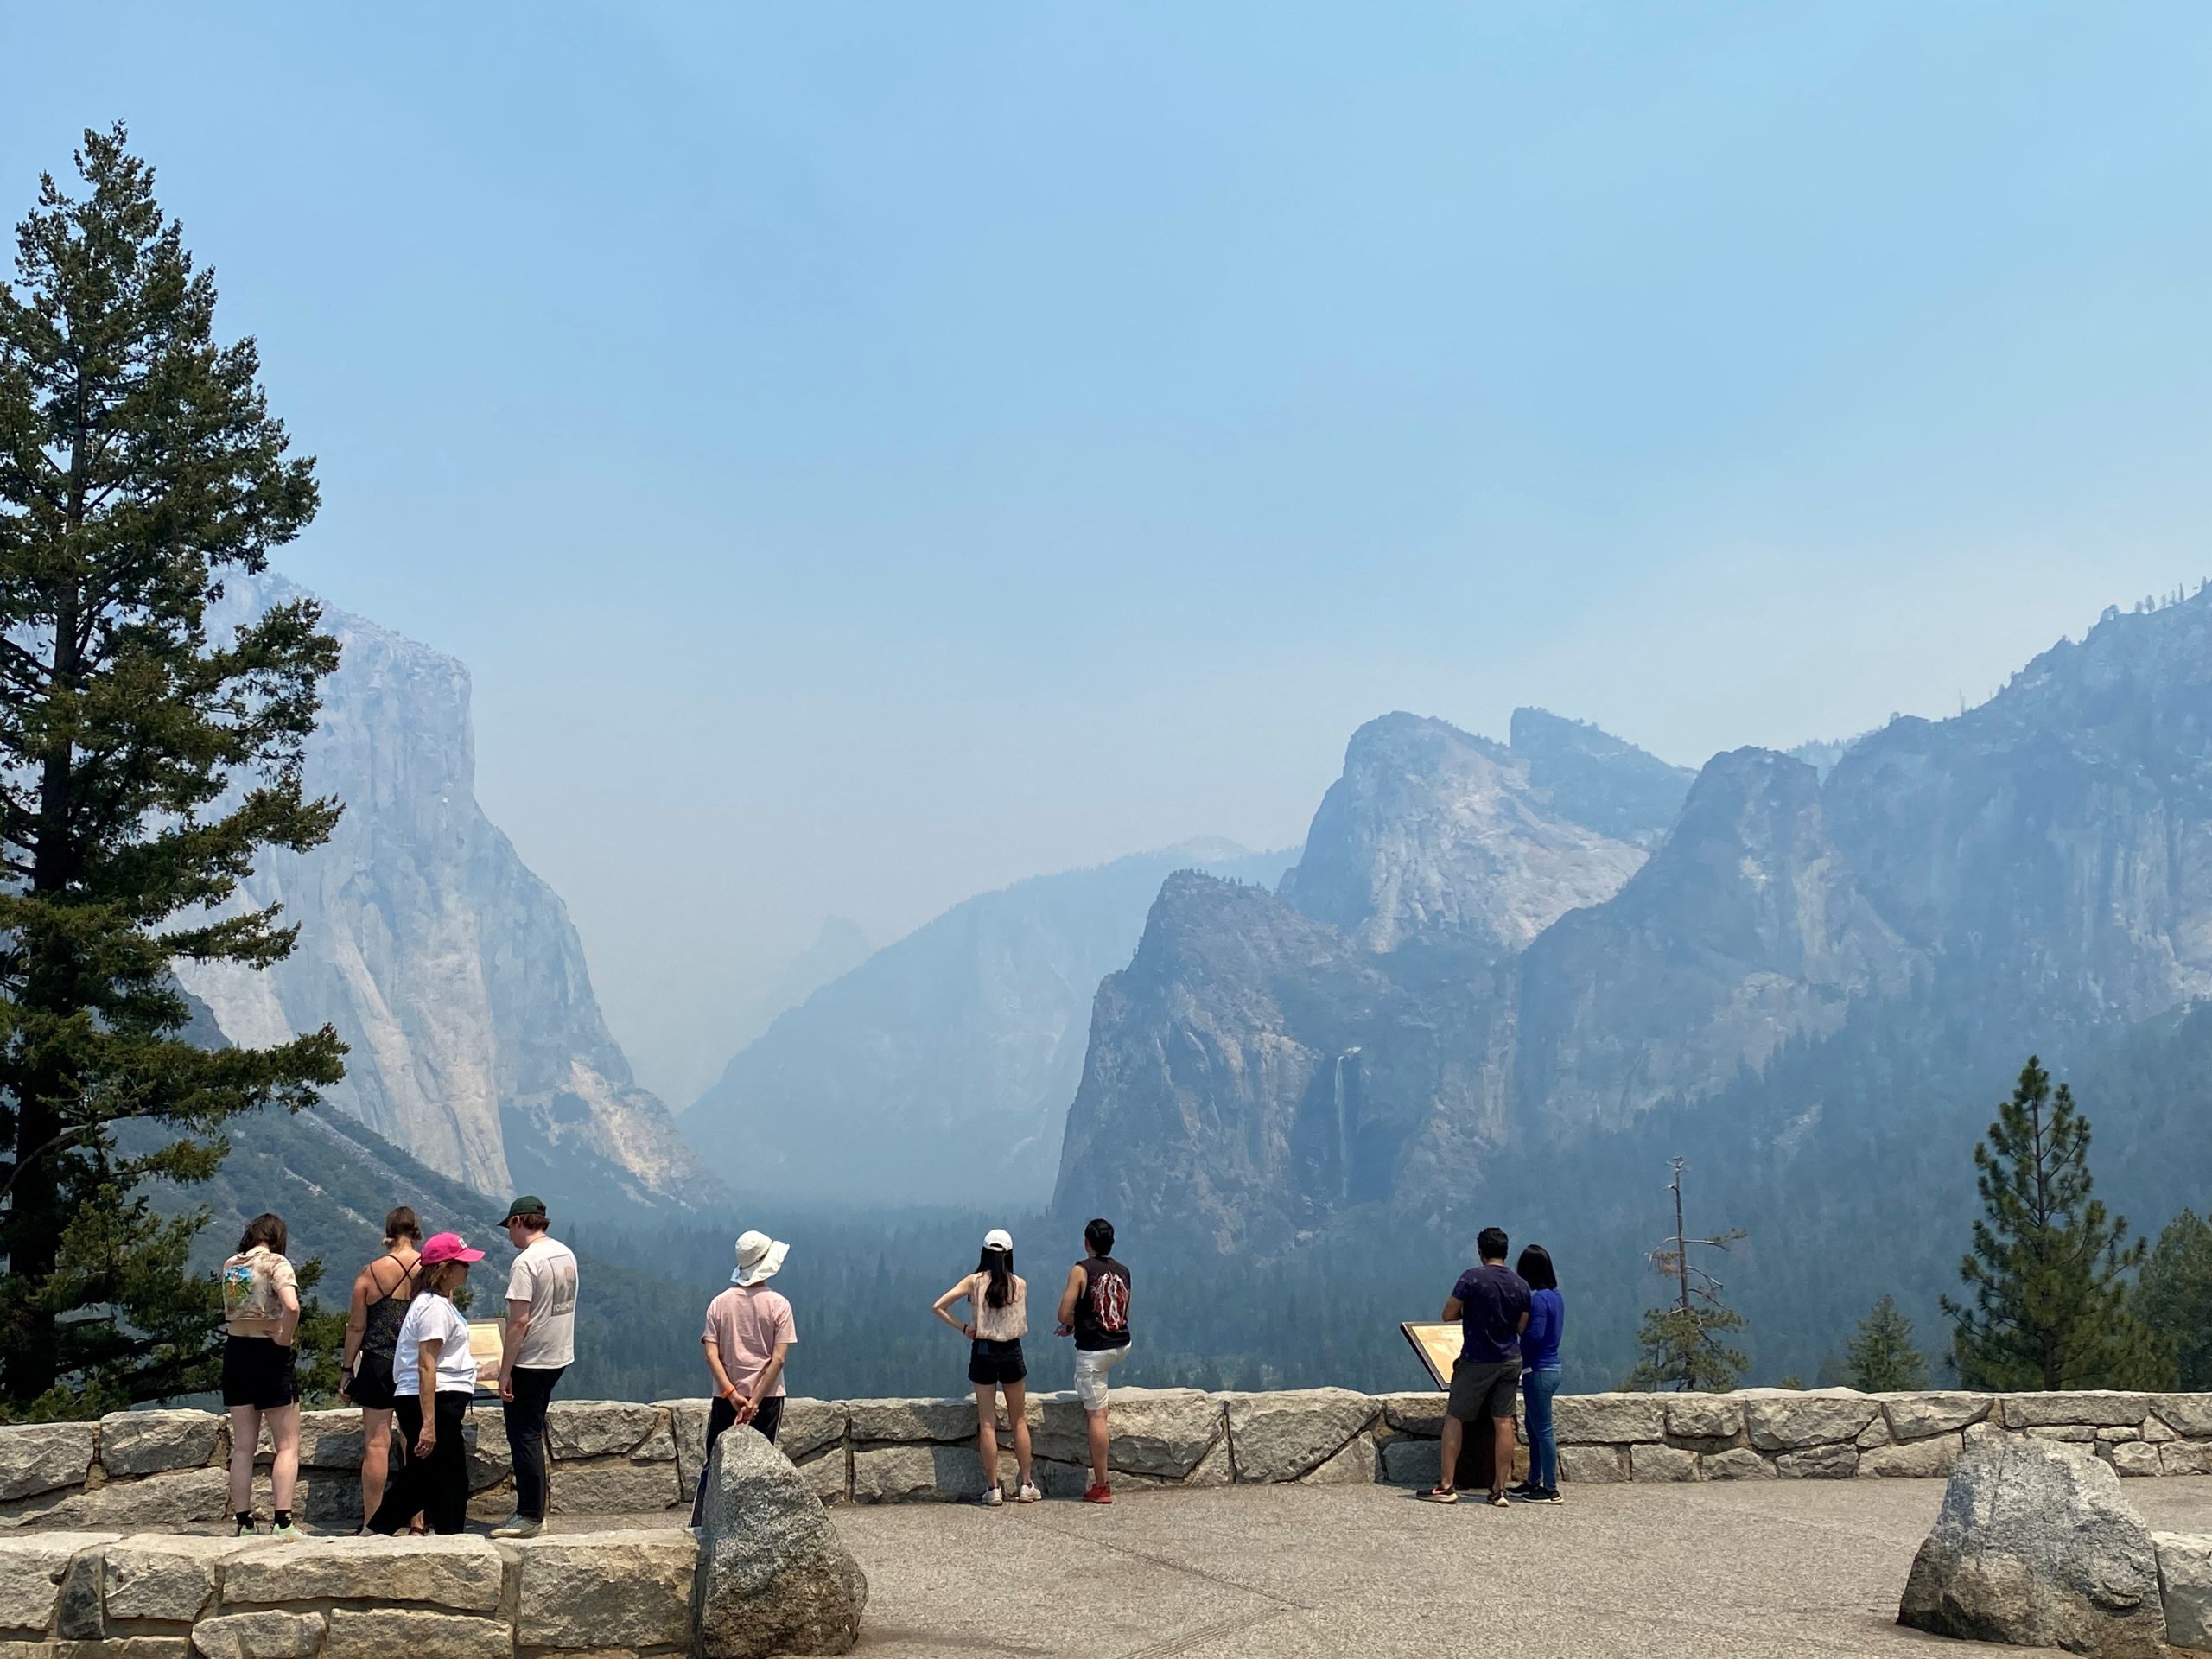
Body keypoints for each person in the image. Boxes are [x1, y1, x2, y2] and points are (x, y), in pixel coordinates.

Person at [367, 1231, 485, 1536]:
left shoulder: (434, 1303)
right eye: (462, 1264)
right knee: (447, 1477)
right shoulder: (433, 1307)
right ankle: (448, 1537)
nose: (467, 1270)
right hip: (435, 1399)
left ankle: (380, 1530)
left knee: (428, 1476)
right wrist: (429, 1423)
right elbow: (426, 1363)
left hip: (435, 1397)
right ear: (444, 1268)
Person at [690, 1230, 798, 1526]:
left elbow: (712, 1355)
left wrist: (732, 1394)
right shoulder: (779, 1305)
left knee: (714, 1464)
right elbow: (778, 1359)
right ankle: (756, 1528)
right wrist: (754, 1402)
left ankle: (700, 1525)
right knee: (762, 1466)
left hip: (725, 1398)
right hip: (768, 1398)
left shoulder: (719, 1303)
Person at [1425, 1225, 1530, 1509]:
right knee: (1504, 1422)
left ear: (1481, 1251)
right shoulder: (1521, 1285)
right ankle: (1499, 1489)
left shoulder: (1471, 1279)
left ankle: (1447, 1485)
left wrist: (1468, 1312)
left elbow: (1448, 1314)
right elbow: (1522, 1326)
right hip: (1510, 1359)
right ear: (1505, 1252)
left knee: (1455, 1417)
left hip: (1477, 1359)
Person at [933, 1228, 1039, 1507]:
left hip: (983, 1350)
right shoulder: (1020, 1284)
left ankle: (993, 1488)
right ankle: (1026, 1483)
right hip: (1012, 1351)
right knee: (1018, 1420)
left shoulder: (974, 1282)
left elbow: (939, 1306)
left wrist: (965, 1327)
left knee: (988, 1422)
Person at [493, 1196, 579, 1540]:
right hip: (559, 1353)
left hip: (530, 1359)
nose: (508, 1236)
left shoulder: (526, 1262)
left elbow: (519, 1321)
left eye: (509, 1227)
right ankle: (535, 1509)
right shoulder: (565, 1254)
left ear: (518, 1221)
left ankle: (530, 1514)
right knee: (533, 1431)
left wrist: (504, 1371)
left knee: (524, 1436)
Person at [338, 1206, 424, 1532]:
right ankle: (417, 1521)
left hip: (377, 1362)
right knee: (414, 1441)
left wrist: (347, 1368)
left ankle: (372, 1524)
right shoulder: (429, 1271)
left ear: (388, 1232)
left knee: (376, 1444)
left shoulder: (370, 1274)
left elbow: (356, 1327)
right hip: (416, 1364)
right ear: (416, 1231)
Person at [220, 1212, 303, 1537]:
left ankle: (243, 1521)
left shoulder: (231, 1265)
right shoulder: (276, 1263)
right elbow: (292, 1306)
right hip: (269, 1353)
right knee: (287, 1444)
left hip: (236, 1351)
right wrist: (285, 1336)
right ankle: (283, 1521)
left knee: (243, 1446)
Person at [1054, 1216, 1131, 1505]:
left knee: (1096, 1416)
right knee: (1101, 1396)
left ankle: (1102, 1485)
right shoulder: (1124, 1271)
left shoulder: (1080, 1270)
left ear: (1087, 1243)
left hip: (1094, 1351)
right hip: (1121, 1344)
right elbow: (1121, 1314)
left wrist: (1075, 1323)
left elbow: (1063, 1314)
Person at [1508, 1244, 1564, 1505]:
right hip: (1551, 1367)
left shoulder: (1539, 1299)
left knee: (1542, 1430)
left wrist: (1516, 1347)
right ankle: (1533, 1480)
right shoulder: (1555, 1296)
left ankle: (1550, 1488)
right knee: (1533, 1426)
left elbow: (1536, 1335)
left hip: (1539, 1369)